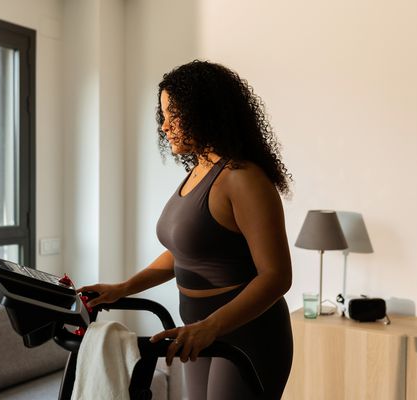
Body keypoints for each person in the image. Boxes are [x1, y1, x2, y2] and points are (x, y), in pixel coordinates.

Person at [77, 60, 293, 400]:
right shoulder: (198, 172)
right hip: (198, 332)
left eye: (173, 115)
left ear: (205, 111)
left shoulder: (242, 178)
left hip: (247, 334)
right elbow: (186, 252)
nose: (164, 126)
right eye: (162, 115)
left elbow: (276, 276)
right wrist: (123, 288)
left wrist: (210, 326)